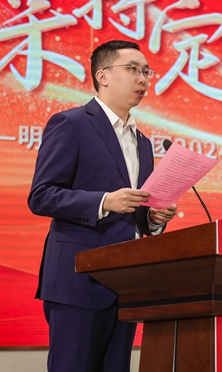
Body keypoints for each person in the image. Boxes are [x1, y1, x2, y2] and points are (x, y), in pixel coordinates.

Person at [28, 40, 177, 372]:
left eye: (147, 71)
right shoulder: (71, 124)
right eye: (133, 69)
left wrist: (153, 218)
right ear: (103, 76)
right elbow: (41, 195)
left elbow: (136, 211)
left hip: (125, 284)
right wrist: (104, 201)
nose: (143, 79)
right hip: (78, 280)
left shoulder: (142, 143)